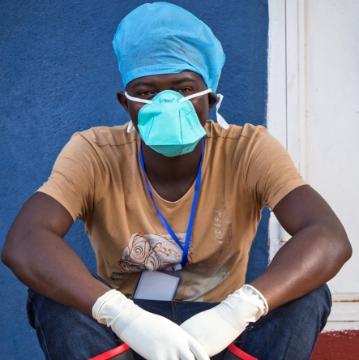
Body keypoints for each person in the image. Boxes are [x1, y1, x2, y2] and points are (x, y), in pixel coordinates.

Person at [1, 2, 352, 360]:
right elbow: (25, 241)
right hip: (126, 336)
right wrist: (119, 314)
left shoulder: (248, 149)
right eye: (149, 92)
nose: (168, 104)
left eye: (184, 89)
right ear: (126, 103)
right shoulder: (94, 152)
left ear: (211, 97)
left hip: (223, 332)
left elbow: (327, 237)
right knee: (50, 295)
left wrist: (238, 310)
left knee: (310, 293)